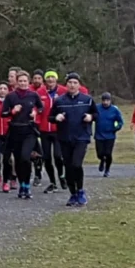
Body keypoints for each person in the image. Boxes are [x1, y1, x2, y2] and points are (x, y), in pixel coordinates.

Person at [49, 72, 98, 207]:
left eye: (75, 83)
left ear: (79, 85)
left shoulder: (87, 99)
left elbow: (96, 114)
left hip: (81, 137)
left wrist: (91, 117)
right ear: (66, 85)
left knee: (76, 164)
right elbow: (50, 117)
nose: (72, 85)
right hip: (65, 138)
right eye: (70, 82)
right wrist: (56, 118)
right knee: (68, 167)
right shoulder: (59, 101)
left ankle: (80, 190)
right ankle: (73, 193)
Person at [0, 70, 43, 199]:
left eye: (25, 81)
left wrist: (35, 112)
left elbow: (41, 108)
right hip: (15, 131)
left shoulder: (33, 95)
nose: (23, 83)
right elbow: (3, 113)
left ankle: (27, 185)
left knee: (25, 157)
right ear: (17, 82)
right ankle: (22, 185)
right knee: (18, 160)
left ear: (28, 82)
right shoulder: (11, 96)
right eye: (20, 81)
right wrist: (12, 111)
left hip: (29, 130)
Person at [93, 92, 123, 177]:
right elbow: (92, 117)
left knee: (108, 153)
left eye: (107, 100)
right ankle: (102, 160)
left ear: (110, 101)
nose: (105, 102)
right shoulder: (97, 108)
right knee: (100, 154)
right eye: (104, 100)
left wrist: (116, 128)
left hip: (110, 135)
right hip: (99, 135)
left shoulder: (114, 110)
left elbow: (120, 121)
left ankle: (107, 170)